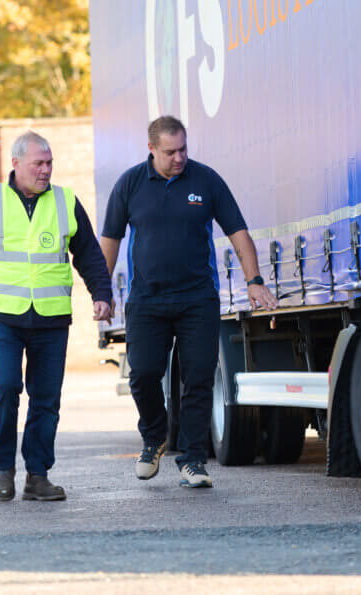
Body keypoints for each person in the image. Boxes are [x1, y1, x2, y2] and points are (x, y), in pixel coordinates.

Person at [100, 115, 277, 489]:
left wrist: (255, 281)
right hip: (147, 300)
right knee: (144, 374)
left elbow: (238, 231)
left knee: (197, 379)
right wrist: (102, 292)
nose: (179, 158)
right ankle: (154, 437)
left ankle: (193, 460)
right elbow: (111, 239)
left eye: (183, 149)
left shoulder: (206, 180)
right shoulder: (130, 184)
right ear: (151, 149)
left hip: (197, 299)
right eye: (170, 152)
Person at [0, 131, 113, 502]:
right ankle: (3, 469)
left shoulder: (65, 200)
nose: (46, 170)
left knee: (46, 399)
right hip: (3, 316)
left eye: (50, 162)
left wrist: (101, 293)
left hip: (51, 318)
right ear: (16, 163)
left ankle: (38, 476)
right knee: (4, 386)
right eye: (39, 163)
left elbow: (87, 253)